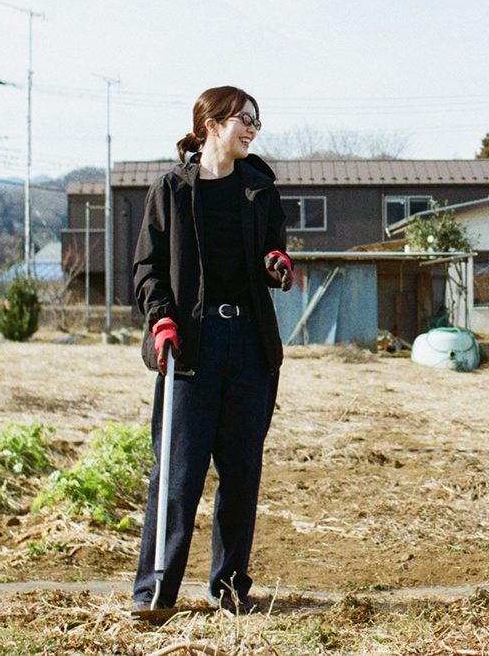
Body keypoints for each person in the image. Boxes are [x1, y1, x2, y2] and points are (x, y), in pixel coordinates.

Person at [131, 85, 293, 616]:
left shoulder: (260, 189)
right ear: (211, 124)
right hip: (192, 348)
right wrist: (161, 321)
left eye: (256, 121)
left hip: (249, 345)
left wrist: (277, 262)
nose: (251, 128)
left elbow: (276, 246)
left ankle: (229, 591)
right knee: (177, 476)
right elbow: (147, 269)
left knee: (241, 474)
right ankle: (155, 592)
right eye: (243, 119)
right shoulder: (172, 191)